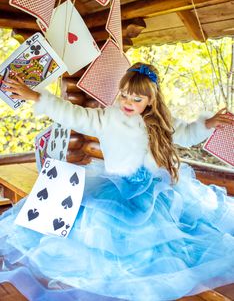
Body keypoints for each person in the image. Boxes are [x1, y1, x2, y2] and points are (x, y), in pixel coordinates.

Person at [0, 62, 234, 301]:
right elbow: (71, 114)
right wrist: (36, 97)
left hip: (154, 191)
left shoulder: (160, 121)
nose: (127, 103)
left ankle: (151, 280)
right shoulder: (107, 118)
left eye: (136, 99)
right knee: (110, 237)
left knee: (161, 239)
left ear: (150, 100)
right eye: (124, 95)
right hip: (116, 189)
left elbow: (185, 133)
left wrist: (207, 124)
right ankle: (115, 281)